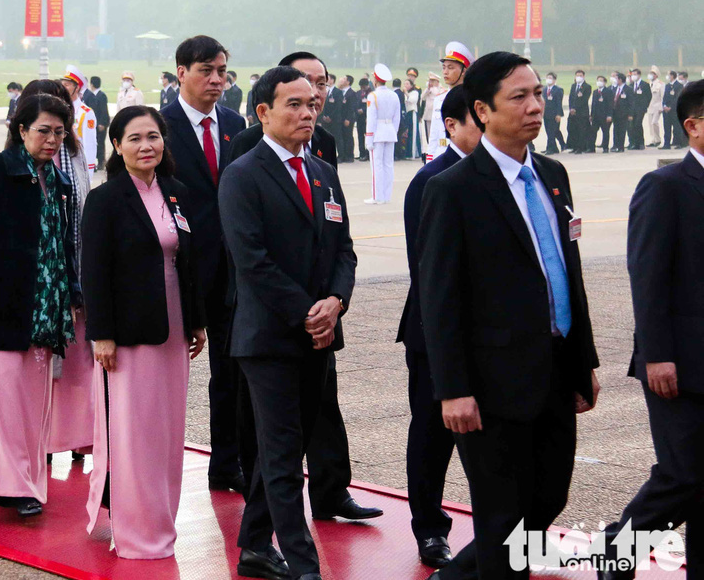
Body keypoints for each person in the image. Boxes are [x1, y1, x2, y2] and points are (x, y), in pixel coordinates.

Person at [419, 51, 601, 579]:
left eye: (538, 94)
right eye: (518, 97)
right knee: (503, 520)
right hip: (490, 383)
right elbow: (440, 297)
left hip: (554, 368)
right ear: (482, 109)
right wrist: (452, 388)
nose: (535, 107)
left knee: (546, 501)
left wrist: (581, 359)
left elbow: (568, 270)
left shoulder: (553, 174)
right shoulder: (452, 189)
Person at [230, 53, 379, 524]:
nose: (309, 110)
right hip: (272, 322)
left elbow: (342, 246)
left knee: (313, 422)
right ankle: (297, 558)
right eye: (298, 99)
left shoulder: (323, 159)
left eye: (317, 95)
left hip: (320, 322)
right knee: (278, 444)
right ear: (267, 108)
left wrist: (335, 303)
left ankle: (296, 515)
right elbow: (251, 254)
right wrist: (308, 311)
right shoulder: (247, 161)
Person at [82, 105, 207, 559]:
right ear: (117, 145)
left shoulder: (176, 193)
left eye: (153, 136)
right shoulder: (106, 199)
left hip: (172, 329)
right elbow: (94, 273)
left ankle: (162, 521)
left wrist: (196, 321)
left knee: (167, 431)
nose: (146, 146)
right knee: (133, 432)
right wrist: (102, 335)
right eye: (134, 138)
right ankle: (134, 531)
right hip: (128, 335)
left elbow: (187, 262)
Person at [595, 80, 704, 580]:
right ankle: (617, 553)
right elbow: (647, 275)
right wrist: (657, 354)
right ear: (694, 126)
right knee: (683, 473)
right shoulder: (665, 188)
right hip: (678, 362)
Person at [0, 93, 80, 517]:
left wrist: (73, 293)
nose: (51, 140)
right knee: (1, 403)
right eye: (43, 130)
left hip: (42, 310)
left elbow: (64, 246)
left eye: (59, 133)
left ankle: (27, 480)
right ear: (21, 129)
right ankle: (9, 487)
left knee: (32, 404)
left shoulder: (58, 182)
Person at [397, 86, 483, 569]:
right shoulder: (430, 181)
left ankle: (495, 530)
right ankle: (430, 530)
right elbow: (427, 270)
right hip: (435, 332)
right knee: (431, 437)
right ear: (451, 125)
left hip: (492, 336)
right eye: (478, 120)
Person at [161, 35, 247, 493]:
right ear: (181, 73)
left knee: (230, 371)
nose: (216, 80)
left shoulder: (236, 124)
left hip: (231, 269)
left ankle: (227, 463)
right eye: (205, 71)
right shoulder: (159, 126)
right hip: (179, 266)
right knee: (163, 372)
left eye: (221, 72)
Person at [21, 80, 94, 460]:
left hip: (74, 272)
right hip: (47, 280)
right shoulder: (28, 160)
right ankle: (46, 441)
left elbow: (80, 217)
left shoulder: (74, 150)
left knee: (77, 365)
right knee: (47, 364)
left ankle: (75, 437)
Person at [425, 42, 473, 162]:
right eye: (444, 67)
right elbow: (433, 135)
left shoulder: (471, 99)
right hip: (440, 154)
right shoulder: (439, 99)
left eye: (451, 68)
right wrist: (429, 160)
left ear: (463, 71)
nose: (445, 72)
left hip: (462, 157)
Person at [364, 64, 401, 205]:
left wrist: (369, 138)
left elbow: (372, 119)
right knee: (388, 165)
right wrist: (393, 132)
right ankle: (386, 196)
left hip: (378, 132)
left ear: (375, 80)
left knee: (377, 165)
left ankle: (377, 196)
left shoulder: (373, 96)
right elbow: (397, 118)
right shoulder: (394, 95)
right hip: (390, 130)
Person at [61, 66, 97, 183]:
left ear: (76, 88)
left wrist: (88, 174)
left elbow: (90, 145)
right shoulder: (59, 109)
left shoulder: (85, 113)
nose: (63, 88)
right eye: (62, 85)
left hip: (77, 166)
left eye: (67, 85)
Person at [87, 75, 110, 170]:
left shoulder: (101, 96)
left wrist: (102, 123)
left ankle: (101, 162)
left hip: (101, 124)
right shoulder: (92, 96)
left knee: (100, 143)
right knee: (95, 143)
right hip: (94, 124)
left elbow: (104, 111)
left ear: (92, 84)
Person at [542, 71, 565, 154]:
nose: (548, 80)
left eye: (550, 78)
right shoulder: (544, 89)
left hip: (554, 114)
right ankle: (555, 147)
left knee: (552, 131)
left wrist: (558, 114)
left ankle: (550, 149)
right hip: (546, 114)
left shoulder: (558, 90)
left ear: (555, 80)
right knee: (549, 131)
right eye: (547, 78)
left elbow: (559, 103)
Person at [627, 68, 650, 151]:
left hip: (640, 108)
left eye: (635, 74)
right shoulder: (631, 85)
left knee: (638, 124)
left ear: (639, 75)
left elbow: (649, 96)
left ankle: (641, 143)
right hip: (632, 109)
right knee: (632, 125)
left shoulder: (645, 85)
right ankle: (634, 143)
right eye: (632, 75)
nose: (633, 76)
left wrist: (645, 106)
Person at [662, 70, 684, 149]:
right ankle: (666, 144)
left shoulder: (679, 85)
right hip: (666, 110)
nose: (667, 76)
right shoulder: (667, 85)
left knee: (676, 127)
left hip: (674, 110)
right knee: (666, 127)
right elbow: (664, 96)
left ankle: (679, 143)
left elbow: (677, 98)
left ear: (672, 76)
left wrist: (671, 107)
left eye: (669, 75)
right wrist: (664, 105)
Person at [591, 76, 613, 153]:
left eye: (601, 80)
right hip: (596, 116)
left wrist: (609, 115)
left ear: (604, 82)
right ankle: (591, 147)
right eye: (598, 80)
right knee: (593, 132)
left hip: (605, 116)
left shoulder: (608, 91)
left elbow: (610, 104)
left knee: (605, 132)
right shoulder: (595, 92)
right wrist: (591, 115)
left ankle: (605, 147)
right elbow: (593, 104)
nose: (599, 82)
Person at [612, 72, 632, 153]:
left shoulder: (628, 89)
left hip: (623, 113)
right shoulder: (614, 88)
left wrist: (630, 114)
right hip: (615, 112)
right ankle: (616, 145)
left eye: (616, 78)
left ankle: (621, 146)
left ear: (620, 79)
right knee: (615, 130)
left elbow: (631, 103)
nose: (615, 80)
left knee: (622, 130)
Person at [645, 66, 663, 147]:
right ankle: (654, 140)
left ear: (656, 75)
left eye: (653, 74)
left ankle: (658, 139)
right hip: (650, 106)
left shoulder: (660, 84)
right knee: (650, 124)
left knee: (654, 122)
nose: (651, 75)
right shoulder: (648, 84)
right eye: (650, 73)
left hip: (657, 106)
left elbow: (662, 96)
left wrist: (661, 107)